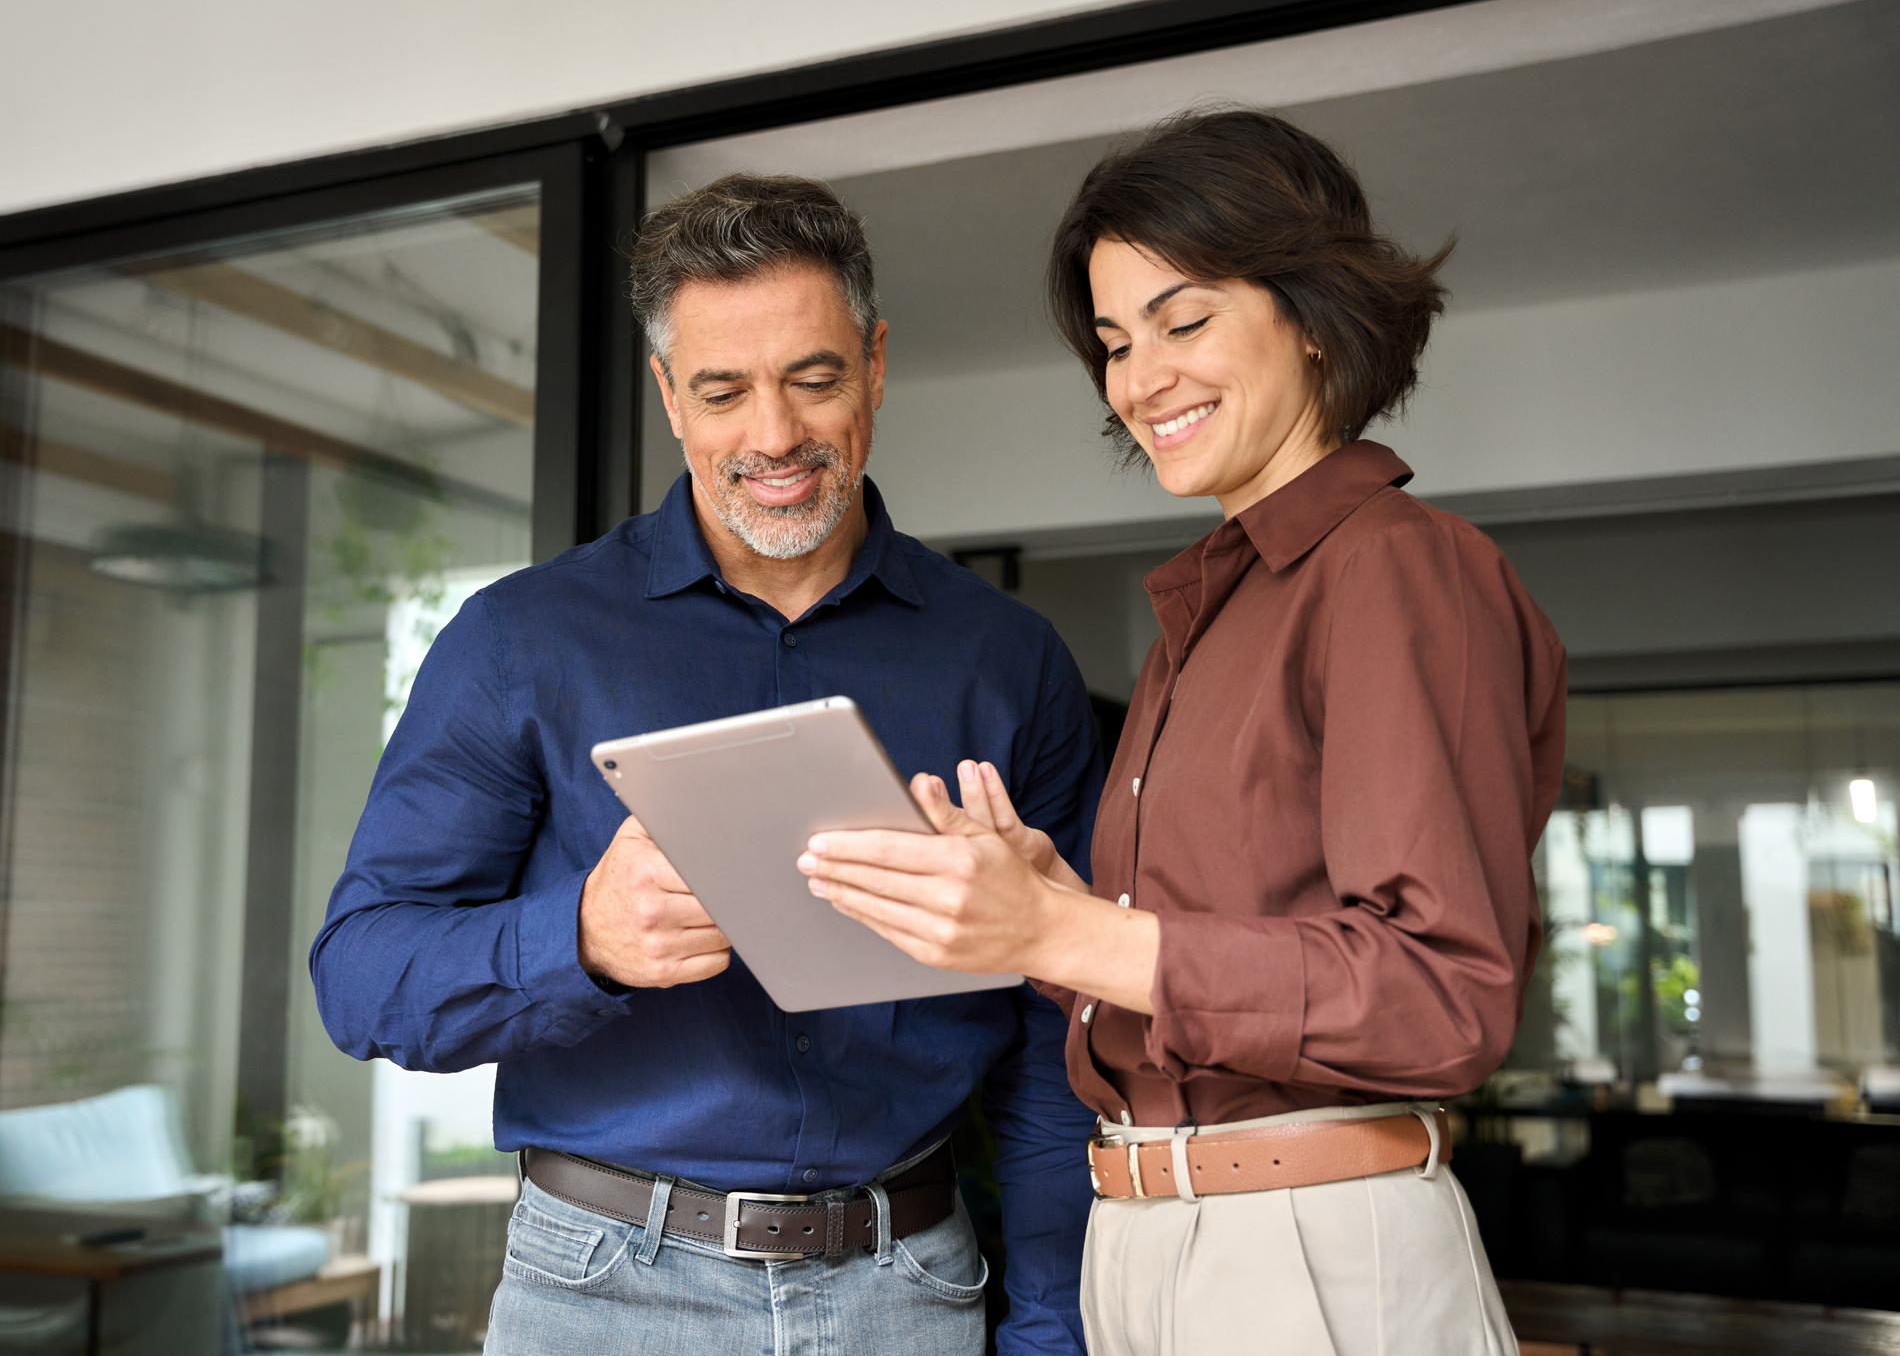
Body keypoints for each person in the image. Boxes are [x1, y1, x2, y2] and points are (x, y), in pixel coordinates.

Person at [798, 110, 1568, 1356]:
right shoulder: (1206, 613)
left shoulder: (1391, 568)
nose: (1138, 377)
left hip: (1304, 1240)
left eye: (1183, 319)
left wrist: (1074, 929)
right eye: (1112, 341)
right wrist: (1044, 913)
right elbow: (1194, 960)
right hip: (1151, 1230)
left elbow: (1442, 991)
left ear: (1313, 313)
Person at [310, 174, 1103, 1355]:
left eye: (814, 379)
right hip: (598, 1293)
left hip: (912, 1291)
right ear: (668, 396)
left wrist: (1049, 1328)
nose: (773, 436)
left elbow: (1058, 1033)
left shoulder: (1006, 659)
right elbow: (359, 976)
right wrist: (575, 937)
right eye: (723, 391)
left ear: (876, 366)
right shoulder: (521, 640)